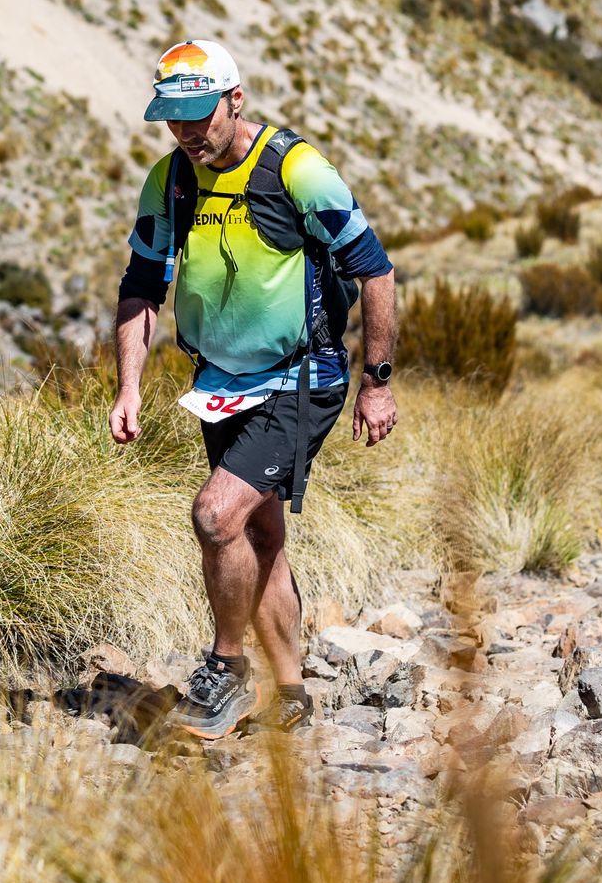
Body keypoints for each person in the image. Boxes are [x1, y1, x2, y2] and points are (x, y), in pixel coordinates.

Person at [108, 38, 398, 739]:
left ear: (234, 100)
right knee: (259, 530)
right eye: (171, 118)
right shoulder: (171, 181)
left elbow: (376, 270)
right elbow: (142, 287)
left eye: (197, 115)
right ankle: (292, 694)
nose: (185, 132)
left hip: (304, 378)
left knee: (215, 515)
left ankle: (226, 671)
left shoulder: (296, 170)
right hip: (222, 385)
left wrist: (377, 382)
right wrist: (129, 386)